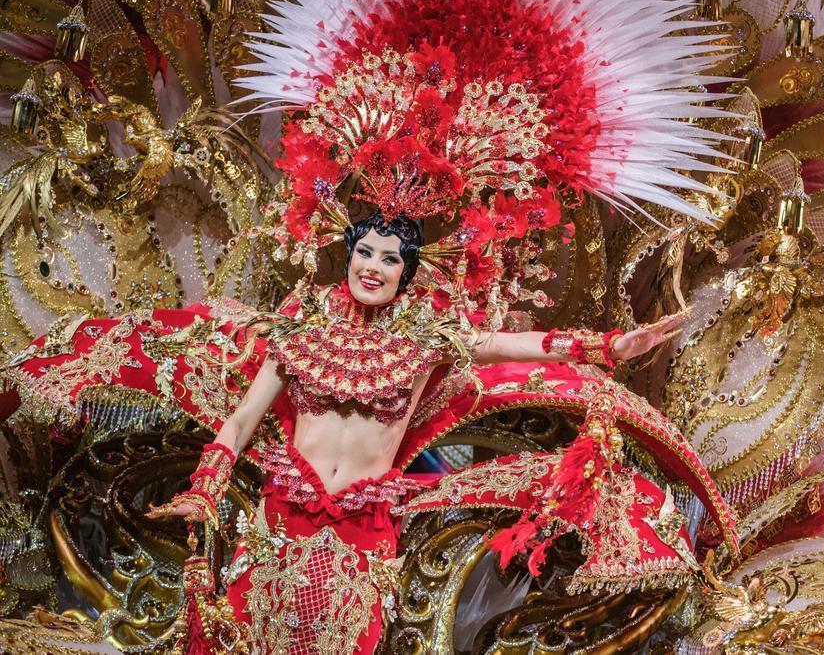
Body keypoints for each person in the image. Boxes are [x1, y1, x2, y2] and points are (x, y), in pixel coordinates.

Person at [146, 208, 683, 653]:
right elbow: (242, 419)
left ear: (407, 269)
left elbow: (511, 345)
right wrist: (206, 488)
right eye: (364, 252)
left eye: (390, 257)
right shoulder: (303, 319)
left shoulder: (427, 334)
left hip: (361, 533)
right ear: (348, 252)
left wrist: (608, 347)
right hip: (281, 519)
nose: (372, 268)